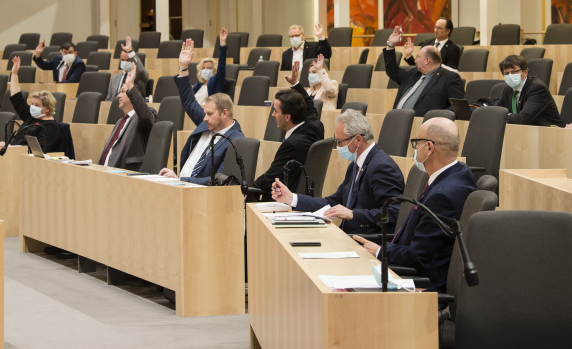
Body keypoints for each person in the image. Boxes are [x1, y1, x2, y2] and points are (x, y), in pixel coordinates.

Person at [353, 117, 476, 293]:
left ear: (429, 148)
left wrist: (380, 251)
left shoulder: (442, 196)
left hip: (421, 284)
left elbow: (419, 256)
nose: (415, 148)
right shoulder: (460, 172)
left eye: (416, 143)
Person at [270, 109, 405, 234]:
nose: (338, 147)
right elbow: (333, 202)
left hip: (367, 242)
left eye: (340, 142)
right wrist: (292, 198)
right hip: (348, 236)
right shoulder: (355, 165)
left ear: (358, 139)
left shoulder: (382, 167)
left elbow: (395, 213)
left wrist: (353, 214)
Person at [157, 39, 244, 184]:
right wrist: (183, 67)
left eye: (210, 114)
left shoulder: (236, 140)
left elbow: (220, 181)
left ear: (224, 113)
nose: (205, 118)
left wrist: (181, 180)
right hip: (178, 184)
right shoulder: (208, 123)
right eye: (205, 113)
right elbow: (189, 102)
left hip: (198, 195)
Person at [253, 61, 325, 197]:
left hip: (284, 201)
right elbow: (309, 105)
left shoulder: (292, 145)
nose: (273, 115)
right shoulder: (315, 127)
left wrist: (252, 187)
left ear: (287, 117)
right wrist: (295, 83)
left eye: (275, 111)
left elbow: (270, 178)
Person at [2, 56, 75, 157]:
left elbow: (37, 152)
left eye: (37, 105)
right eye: (32, 104)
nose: (32, 107)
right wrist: (14, 74)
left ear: (47, 108)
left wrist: (12, 149)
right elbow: (16, 98)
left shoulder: (50, 127)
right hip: (14, 156)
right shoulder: (30, 115)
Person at [385, 26, 465, 115]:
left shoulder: (449, 78)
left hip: (424, 125)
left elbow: (458, 108)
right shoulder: (413, 73)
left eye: (418, 57)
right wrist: (390, 45)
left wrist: (434, 118)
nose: (415, 60)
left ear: (427, 60)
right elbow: (392, 70)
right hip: (397, 120)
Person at [99, 67, 156, 171]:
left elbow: (145, 117)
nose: (118, 95)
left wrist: (130, 86)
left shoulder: (147, 114)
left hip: (126, 173)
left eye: (123, 91)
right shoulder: (120, 121)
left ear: (134, 93)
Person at [497, 54, 564, 127]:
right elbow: (496, 111)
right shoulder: (508, 88)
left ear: (525, 72)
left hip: (550, 133)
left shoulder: (537, 88)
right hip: (526, 132)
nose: (510, 76)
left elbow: (522, 119)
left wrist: (503, 116)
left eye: (514, 72)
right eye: (506, 73)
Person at [193, 28, 228, 105]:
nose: (206, 70)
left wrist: (222, 43)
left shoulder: (217, 82)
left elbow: (222, 65)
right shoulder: (197, 86)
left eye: (209, 68)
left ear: (214, 70)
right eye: (204, 68)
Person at [106, 36, 148, 101]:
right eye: (123, 60)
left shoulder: (139, 77)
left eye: (128, 60)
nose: (125, 62)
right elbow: (108, 99)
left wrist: (130, 51)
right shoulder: (114, 78)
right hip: (114, 108)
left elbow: (141, 70)